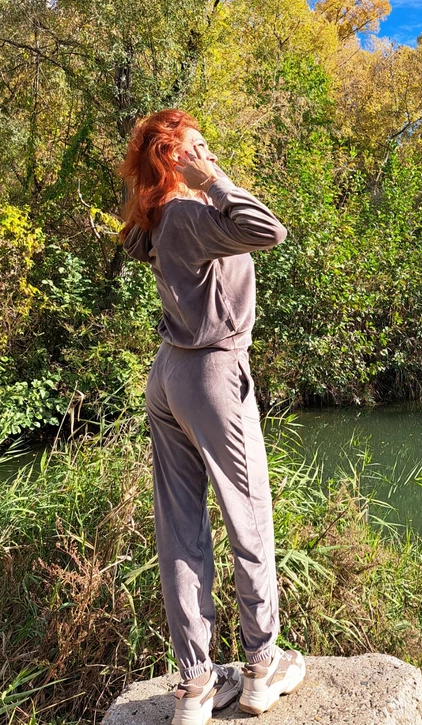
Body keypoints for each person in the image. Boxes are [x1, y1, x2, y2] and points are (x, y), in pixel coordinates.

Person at [118, 108, 306, 725]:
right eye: (198, 148)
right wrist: (212, 181)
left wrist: (197, 176)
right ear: (172, 160)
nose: (212, 155)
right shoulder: (194, 215)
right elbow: (268, 228)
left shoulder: (155, 219)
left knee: (180, 527)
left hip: (168, 373)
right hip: (213, 373)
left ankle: (196, 683)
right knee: (248, 515)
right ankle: (260, 668)